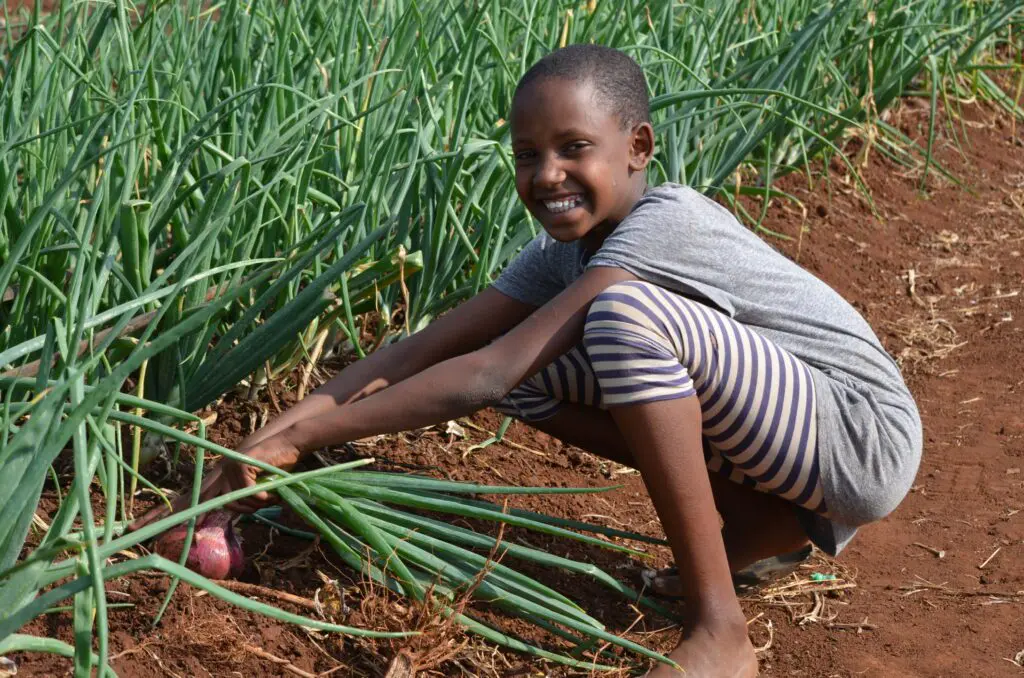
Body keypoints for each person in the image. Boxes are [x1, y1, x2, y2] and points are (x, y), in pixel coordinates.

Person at [134, 44, 922, 676]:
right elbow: (421, 352)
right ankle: (758, 525)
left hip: (858, 435)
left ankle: (719, 628)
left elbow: (489, 373)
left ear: (638, 146)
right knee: (545, 344)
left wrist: (303, 443)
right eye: (527, 154)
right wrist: (257, 445)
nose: (547, 174)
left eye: (574, 147)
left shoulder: (665, 220)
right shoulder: (561, 255)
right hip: (788, 442)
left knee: (615, 319)